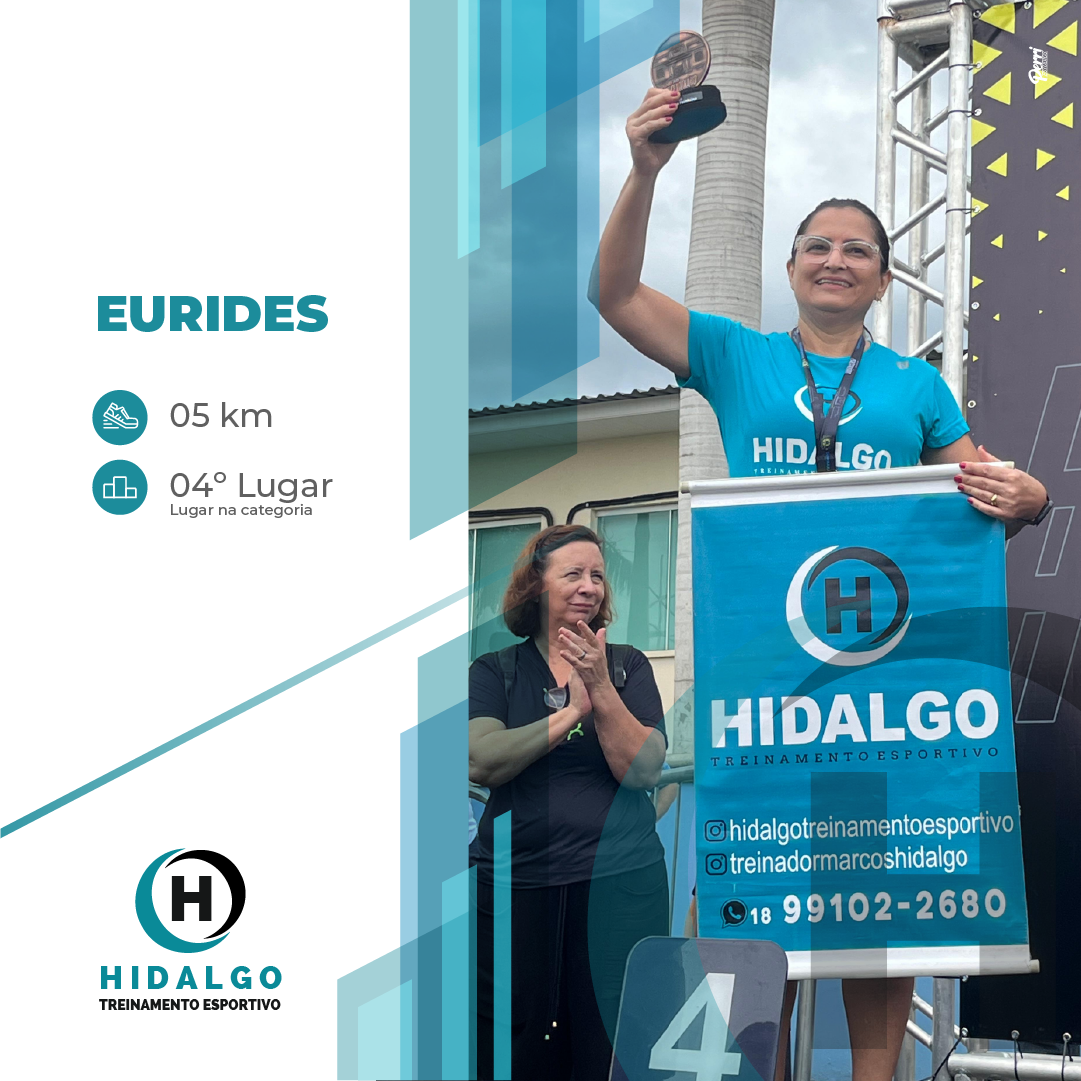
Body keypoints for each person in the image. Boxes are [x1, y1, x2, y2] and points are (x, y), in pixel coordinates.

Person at [596, 87, 1052, 1081]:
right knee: (753, 913)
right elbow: (616, 296)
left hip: (884, 691)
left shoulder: (915, 386)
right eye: (816, 245)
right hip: (759, 692)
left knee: (876, 908)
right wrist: (644, 169)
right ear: (791, 267)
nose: (834, 258)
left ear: (882, 278)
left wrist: (1030, 497)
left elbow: (984, 489)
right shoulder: (735, 354)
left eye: (855, 249)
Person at [469, 524, 669, 1081]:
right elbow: (483, 760)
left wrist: (599, 688)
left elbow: (644, 769)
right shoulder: (495, 672)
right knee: (517, 1048)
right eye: (573, 573)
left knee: (615, 1043)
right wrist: (570, 714)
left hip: (621, 887)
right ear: (535, 586)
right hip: (516, 889)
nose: (589, 586)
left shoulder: (627, 666)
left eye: (598, 576)